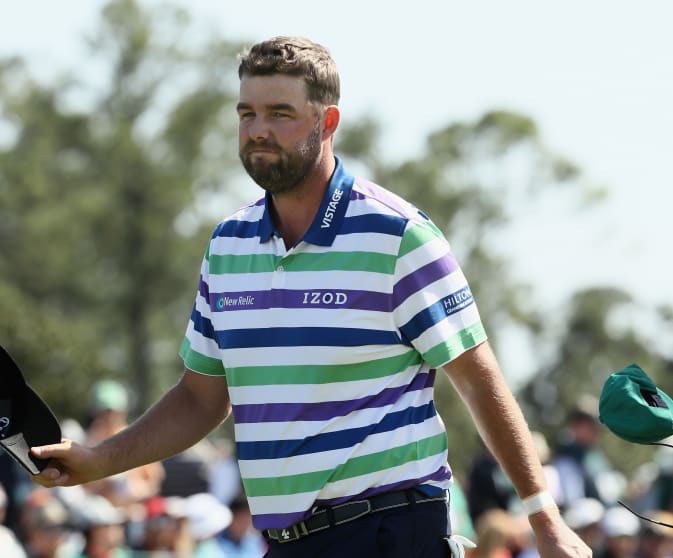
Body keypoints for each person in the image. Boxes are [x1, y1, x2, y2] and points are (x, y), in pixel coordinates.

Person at [29, 35, 590, 557]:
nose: (257, 130)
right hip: (287, 541)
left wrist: (544, 517)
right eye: (247, 113)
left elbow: (476, 377)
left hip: (392, 529)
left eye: (280, 113)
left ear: (328, 123)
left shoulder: (397, 235)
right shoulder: (227, 246)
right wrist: (99, 460)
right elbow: (201, 399)